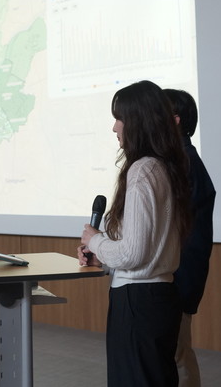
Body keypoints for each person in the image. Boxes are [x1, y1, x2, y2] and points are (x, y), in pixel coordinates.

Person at [78, 80, 192, 387]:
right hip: (157, 299)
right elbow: (146, 249)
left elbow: (133, 253)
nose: (115, 127)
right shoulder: (164, 166)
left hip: (138, 303)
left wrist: (95, 240)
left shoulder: (143, 170)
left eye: (120, 118)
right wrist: (103, 257)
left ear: (139, 121)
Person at [162, 88, 216, 387]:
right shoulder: (178, 159)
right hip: (177, 273)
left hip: (178, 275)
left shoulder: (181, 162)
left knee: (177, 354)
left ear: (175, 120)